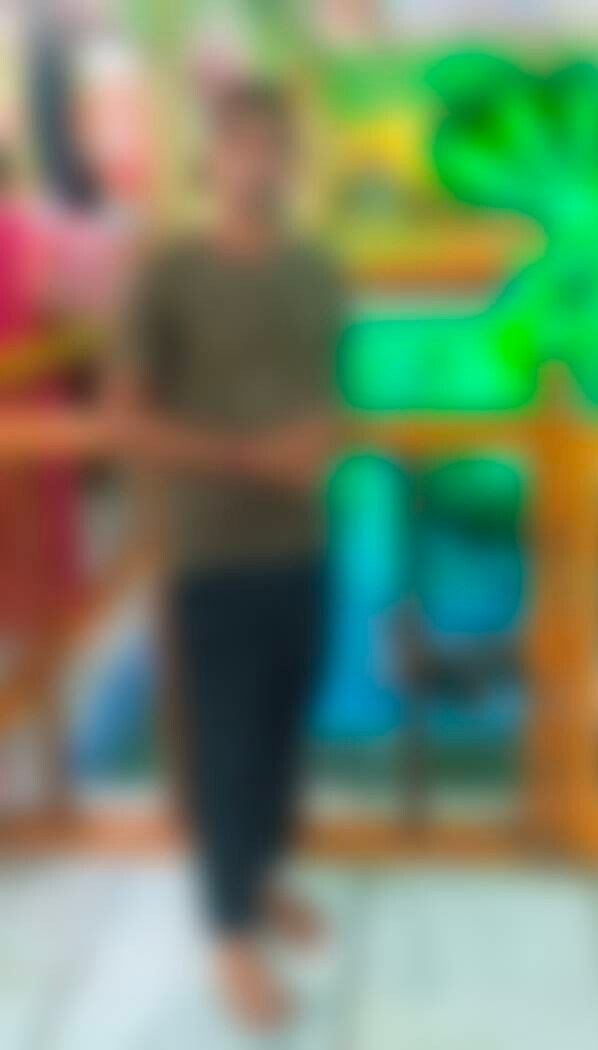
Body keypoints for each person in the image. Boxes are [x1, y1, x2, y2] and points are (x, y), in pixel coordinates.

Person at [110, 82, 344, 1027]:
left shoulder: (317, 271)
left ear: (290, 158)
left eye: (271, 144)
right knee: (227, 744)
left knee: (284, 729)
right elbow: (126, 420)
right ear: (211, 159)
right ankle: (229, 937)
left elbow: (330, 394)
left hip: (304, 544)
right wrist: (249, 457)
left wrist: (324, 436)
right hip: (214, 550)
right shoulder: (169, 273)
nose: (256, 161)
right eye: (239, 144)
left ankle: (260, 878)